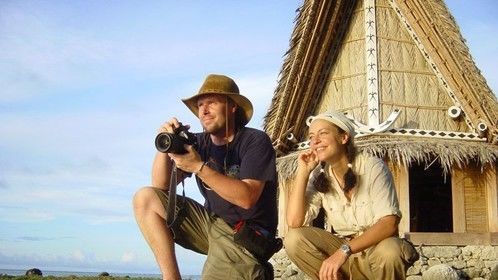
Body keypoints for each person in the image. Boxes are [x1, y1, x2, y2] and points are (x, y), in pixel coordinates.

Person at [133, 74, 279, 280]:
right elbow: (160, 185)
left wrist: (199, 167)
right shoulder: (199, 143)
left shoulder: (254, 141)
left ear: (232, 106)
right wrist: (165, 144)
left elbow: (247, 198)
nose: (204, 110)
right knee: (145, 198)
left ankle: (252, 270)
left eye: (212, 102)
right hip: (210, 225)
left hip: (245, 234)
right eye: (200, 105)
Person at [284, 110, 419, 280]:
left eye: (323, 133)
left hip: (376, 251)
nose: (315, 141)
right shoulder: (319, 175)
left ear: (343, 137)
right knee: (293, 239)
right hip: (344, 254)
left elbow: (389, 223)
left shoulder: (372, 167)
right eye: (311, 137)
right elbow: (294, 222)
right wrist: (303, 173)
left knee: (390, 251)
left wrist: (343, 251)